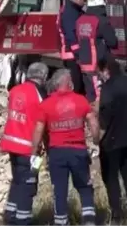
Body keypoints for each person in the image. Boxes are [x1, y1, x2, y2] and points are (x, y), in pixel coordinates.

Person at [30, 69, 101, 226]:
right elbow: (93, 123)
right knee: (84, 187)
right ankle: (89, 221)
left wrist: (34, 153)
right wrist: (96, 140)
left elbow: (38, 130)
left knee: (59, 190)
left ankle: (61, 221)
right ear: (69, 83)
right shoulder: (81, 100)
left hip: (57, 153)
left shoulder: (46, 104)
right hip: (78, 151)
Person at [0, 62, 50, 226]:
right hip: (30, 149)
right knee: (28, 185)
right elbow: (43, 123)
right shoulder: (40, 95)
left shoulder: (15, 90)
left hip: (11, 144)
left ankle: (10, 215)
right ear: (43, 77)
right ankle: (23, 220)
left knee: (17, 180)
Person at [96, 57, 127, 224]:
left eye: (99, 74)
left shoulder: (108, 89)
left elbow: (104, 119)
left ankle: (117, 215)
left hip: (112, 141)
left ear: (105, 70)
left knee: (111, 178)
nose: (98, 78)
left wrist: (97, 140)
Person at [75, 0, 118, 102]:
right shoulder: (101, 21)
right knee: (100, 99)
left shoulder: (80, 20)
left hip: (84, 64)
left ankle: (90, 119)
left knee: (90, 96)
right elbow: (112, 42)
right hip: (97, 67)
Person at [57, 0, 88, 95]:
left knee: (78, 85)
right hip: (71, 54)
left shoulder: (73, 10)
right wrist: (78, 54)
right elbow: (71, 35)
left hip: (72, 53)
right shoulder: (70, 12)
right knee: (76, 85)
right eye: (84, 0)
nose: (85, 3)